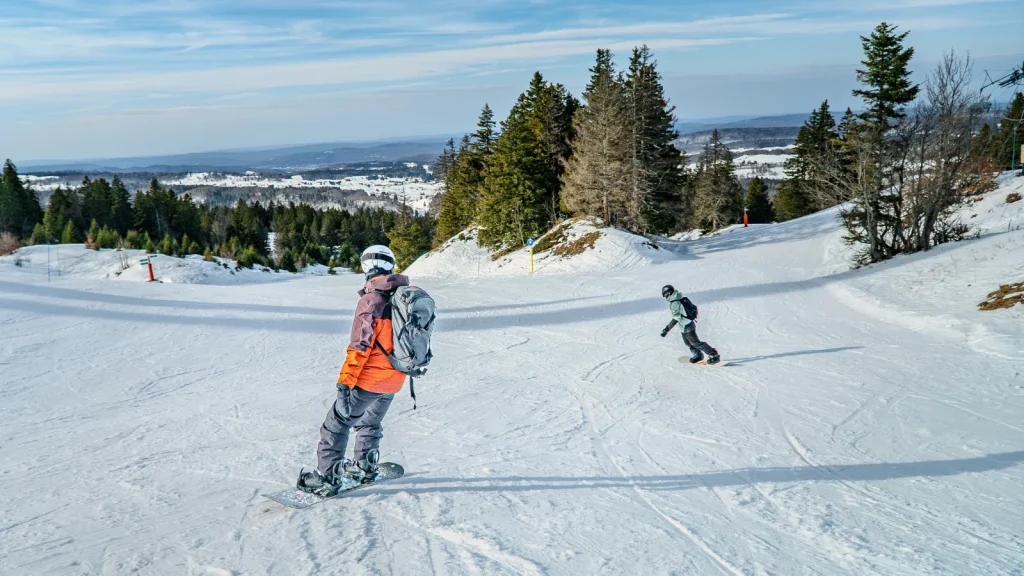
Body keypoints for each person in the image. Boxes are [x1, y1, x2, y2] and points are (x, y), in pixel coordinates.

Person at [297, 245, 409, 496]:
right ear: (391, 265)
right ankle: (366, 465)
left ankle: (328, 477)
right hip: (395, 378)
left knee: (335, 424)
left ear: (366, 267)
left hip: (369, 380)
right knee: (370, 422)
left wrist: (345, 384)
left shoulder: (372, 301)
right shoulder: (404, 298)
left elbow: (360, 347)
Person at [659, 285, 720, 365]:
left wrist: (666, 329)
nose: (665, 297)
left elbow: (676, 318)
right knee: (688, 343)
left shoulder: (675, 302)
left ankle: (713, 355)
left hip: (687, 326)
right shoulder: (677, 299)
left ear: (668, 293)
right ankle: (698, 354)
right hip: (684, 325)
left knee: (695, 343)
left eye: (665, 295)